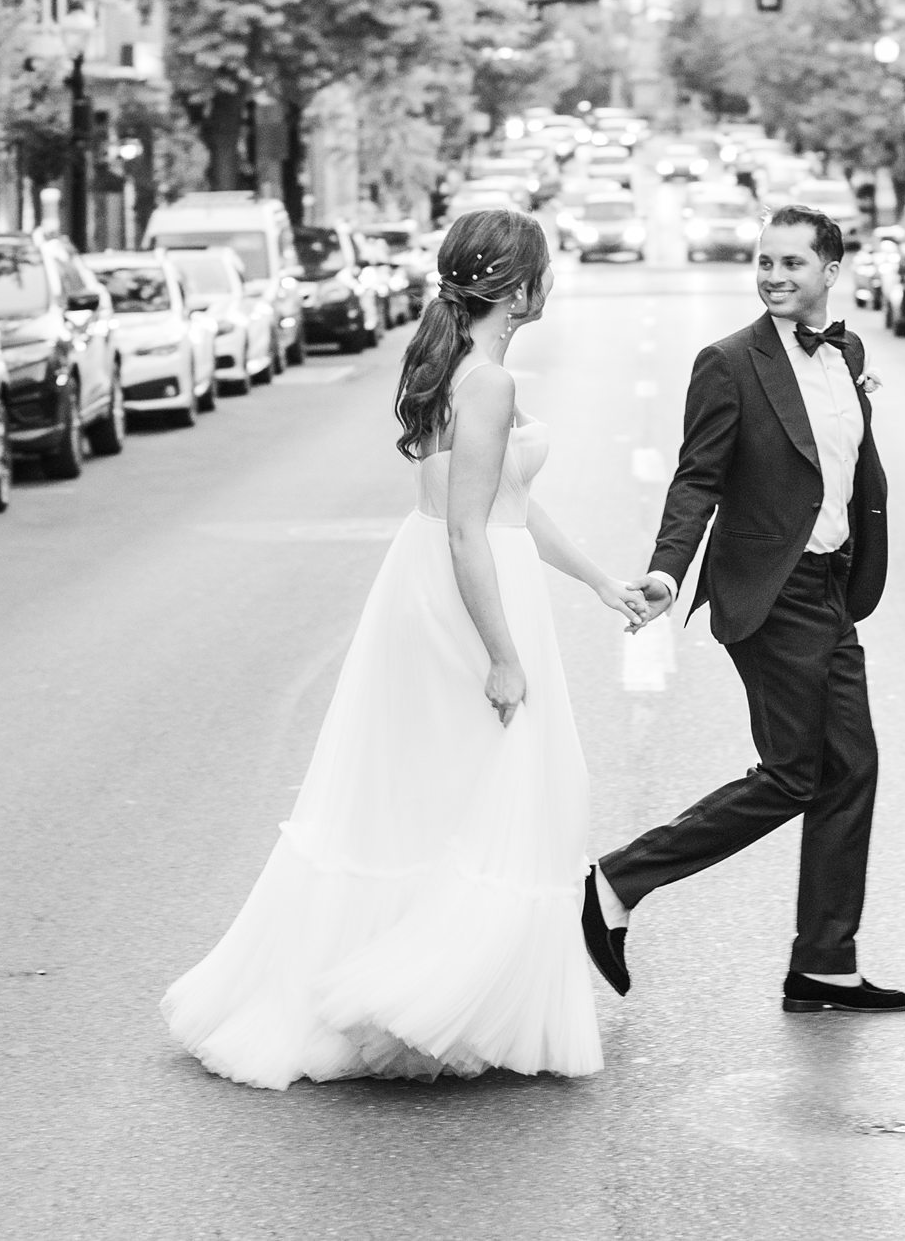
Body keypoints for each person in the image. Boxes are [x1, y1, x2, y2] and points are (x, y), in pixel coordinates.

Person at [164, 208, 652, 1089]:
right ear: (519, 287)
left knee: (434, 795)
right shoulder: (489, 381)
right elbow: (474, 530)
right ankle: (421, 996)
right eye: (544, 269)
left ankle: (415, 985)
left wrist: (599, 582)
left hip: (433, 581)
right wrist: (504, 655)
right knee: (513, 787)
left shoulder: (458, 363)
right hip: (470, 594)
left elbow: (507, 502)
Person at [580, 205, 905, 1015]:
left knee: (851, 767)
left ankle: (825, 963)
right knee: (797, 772)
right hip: (774, 589)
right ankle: (618, 878)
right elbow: (698, 477)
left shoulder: (847, 351)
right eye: (765, 261)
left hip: (833, 586)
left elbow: (841, 461)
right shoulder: (728, 362)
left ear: (832, 270)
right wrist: (665, 572)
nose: (773, 276)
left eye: (792, 263)